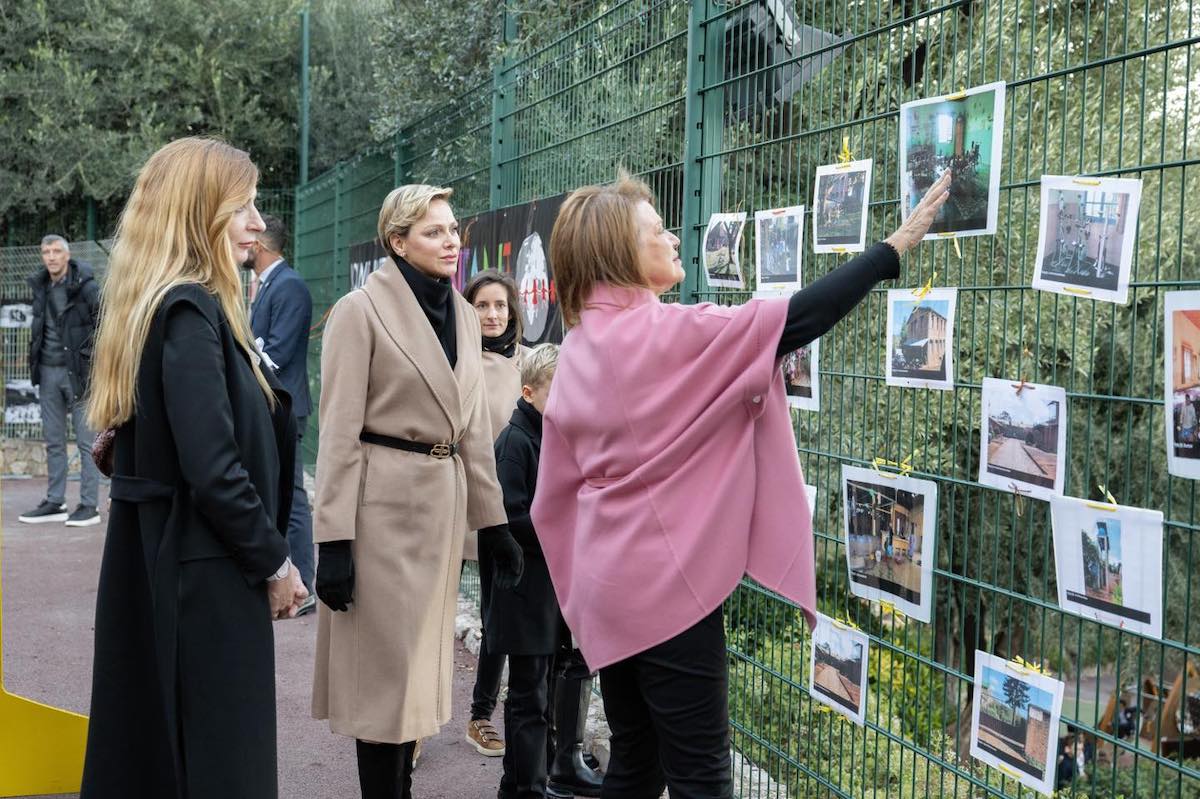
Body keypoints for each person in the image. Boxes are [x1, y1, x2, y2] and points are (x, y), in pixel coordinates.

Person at [531, 170, 951, 796]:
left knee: (635, 762)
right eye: (656, 230)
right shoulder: (668, 335)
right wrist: (894, 247)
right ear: (620, 252)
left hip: (607, 590)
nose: (673, 238)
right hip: (668, 595)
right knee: (702, 778)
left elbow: (552, 499)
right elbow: (797, 318)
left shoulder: (580, 352)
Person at [79, 137, 308, 798]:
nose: (258, 223)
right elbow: (214, 466)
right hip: (203, 573)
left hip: (183, 563)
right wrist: (276, 561)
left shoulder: (176, 307)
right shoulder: (188, 310)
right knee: (216, 764)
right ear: (201, 213)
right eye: (244, 206)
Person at [311, 183, 524, 799]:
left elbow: (475, 432)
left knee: (419, 679)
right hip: (381, 512)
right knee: (386, 681)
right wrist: (334, 541)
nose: (452, 240)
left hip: (441, 507)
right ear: (397, 241)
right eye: (434, 231)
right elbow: (338, 434)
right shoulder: (360, 311)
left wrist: (495, 523)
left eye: (454, 229)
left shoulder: (460, 312)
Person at [485, 343, 566, 798]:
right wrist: (563, 529)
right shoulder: (516, 442)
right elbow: (511, 516)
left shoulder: (546, 435)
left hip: (544, 589)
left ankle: (524, 782)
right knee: (528, 697)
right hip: (522, 588)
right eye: (559, 389)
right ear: (530, 391)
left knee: (538, 692)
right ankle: (526, 786)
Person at [462, 269, 526, 758]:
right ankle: (414, 722)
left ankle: (480, 715)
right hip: (456, 498)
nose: (492, 314)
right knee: (431, 614)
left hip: (507, 509)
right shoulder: (455, 357)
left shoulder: (528, 364)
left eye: (500, 305)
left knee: (496, 612)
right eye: (482, 305)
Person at [245, 214, 316, 614]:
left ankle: (305, 581)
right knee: (279, 492)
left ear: (259, 244)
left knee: (293, 497)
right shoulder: (270, 283)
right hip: (271, 406)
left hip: (286, 407)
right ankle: (287, 578)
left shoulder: (288, 285)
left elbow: (277, 352)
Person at [18, 234, 101, 527]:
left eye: (56, 251)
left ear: (67, 255)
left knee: (86, 442)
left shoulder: (87, 286)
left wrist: (88, 359)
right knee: (53, 441)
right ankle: (55, 501)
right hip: (48, 372)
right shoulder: (40, 286)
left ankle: (89, 506)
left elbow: (103, 323)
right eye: (46, 252)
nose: (51, 257)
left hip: (78, 374)